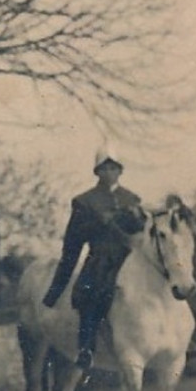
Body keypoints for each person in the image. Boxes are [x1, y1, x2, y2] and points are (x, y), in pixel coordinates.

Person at [42, 150, 146, 370]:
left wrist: (137, 219)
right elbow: (74, 240)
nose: (110, 173)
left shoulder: (132, 198)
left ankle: (179, 341)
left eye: (114, 168)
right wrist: (99, 222)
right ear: (97, 172)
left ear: (120, 171)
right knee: (90, 295)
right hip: (101, 259)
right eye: (105, 169)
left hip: (129, 259)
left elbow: (141, 232)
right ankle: (86, 348)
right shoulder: (84, 201)